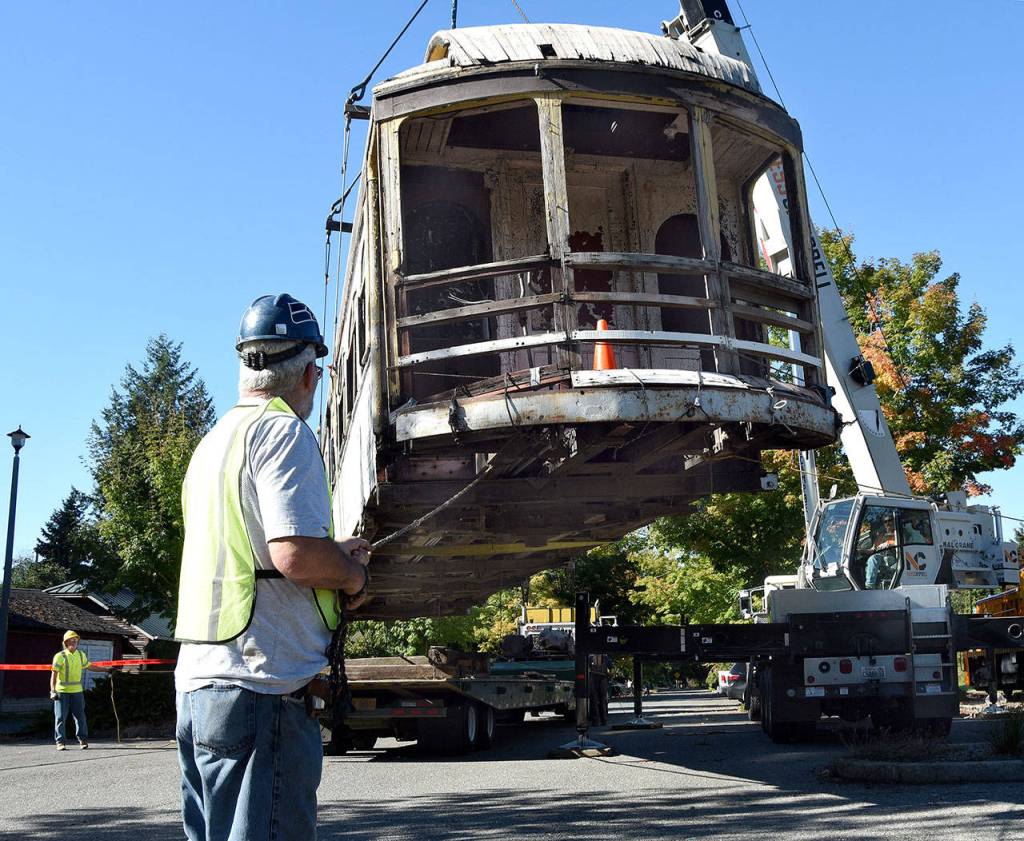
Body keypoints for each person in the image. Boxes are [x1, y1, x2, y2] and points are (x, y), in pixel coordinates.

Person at [174, 293, 371, 841]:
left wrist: (332, 552)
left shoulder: (213, 443)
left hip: (199, 686)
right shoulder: (282, 431)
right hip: (261, 686)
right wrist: (352, 574)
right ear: (310, 372)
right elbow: (295, 555)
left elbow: (255, 548)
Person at [50, 630, 110, 750]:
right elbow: (54, 675)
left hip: (77, 691)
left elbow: (90, 666)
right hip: (62, 691)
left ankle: (83, 740)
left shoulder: (81, 655)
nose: (74, 642)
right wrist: (52, 691)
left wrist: (106, 669)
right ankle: (60, 742)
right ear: (66, 642)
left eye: (75, 640)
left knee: (80, 716)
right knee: (60, 717)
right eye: (71, 640)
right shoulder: (59, 656)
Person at [588, 653, 611, 726]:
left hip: (602, 678)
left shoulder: (605, 657)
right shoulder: (590, 657)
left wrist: (610, 674)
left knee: (602, 700)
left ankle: (603, 719)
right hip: (593, 678)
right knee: (594, 700)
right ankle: (596, 720)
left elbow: (611, 667)